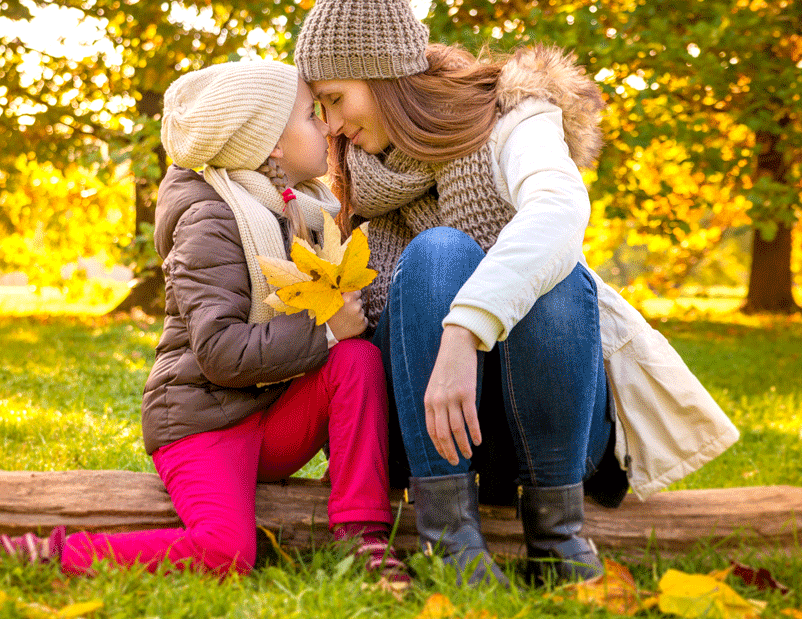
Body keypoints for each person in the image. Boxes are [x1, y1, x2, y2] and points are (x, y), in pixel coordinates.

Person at [292, 0, 740, 587]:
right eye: (318, 106)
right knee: (438, 253)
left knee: (553, 279)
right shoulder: (352, 176)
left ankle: (558, 540)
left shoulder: (511, 116)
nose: (328, 125)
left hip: (544, 422)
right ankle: (449, 541)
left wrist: (464, 328)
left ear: (384, 76)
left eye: (335, 99)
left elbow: (559, 212)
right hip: (425, 429)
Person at [0, 60, 409, 586]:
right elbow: (220, 352)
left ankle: (362, 538)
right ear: (271, 145)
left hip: (266, 414)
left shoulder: (295, 211)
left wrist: (338, 328)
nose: (328, 126)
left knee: (356, 360)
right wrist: (328, 329)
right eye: (311, 115)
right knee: (226, 554)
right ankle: (46, 554)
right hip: (203, 420)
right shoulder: (211, 219)